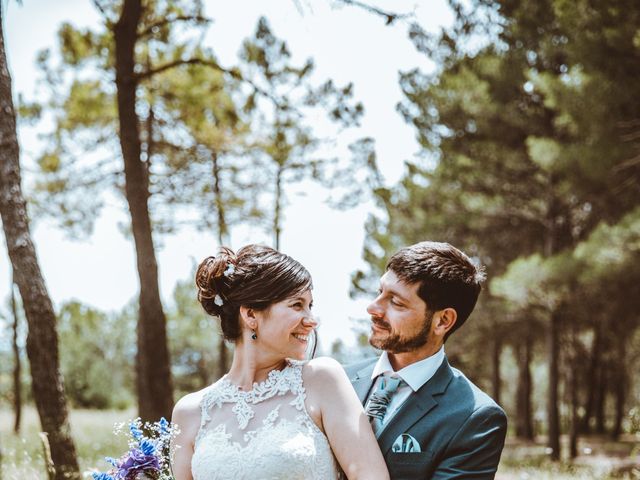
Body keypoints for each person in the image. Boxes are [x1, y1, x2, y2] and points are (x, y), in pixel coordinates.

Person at [171, 244, 389, 480]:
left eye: (310, 306)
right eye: (297, 305)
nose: (311, 321)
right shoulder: (190, 412)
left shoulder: (322, 380)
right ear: (251, 315)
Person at [346, 241, 507, 479]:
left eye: (396, 302)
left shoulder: (476, 418)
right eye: (379, 292)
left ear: (443, 321)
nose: (373, 308)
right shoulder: (337, 380)